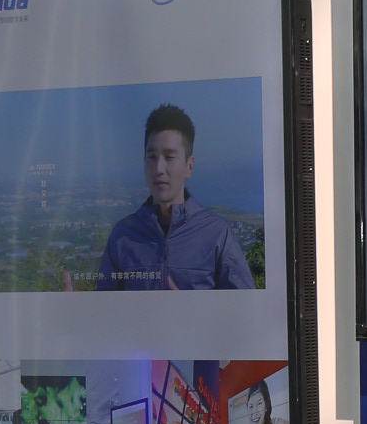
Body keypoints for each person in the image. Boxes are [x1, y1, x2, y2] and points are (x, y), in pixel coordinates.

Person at [98, 104, 255, 291]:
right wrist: (76, 305)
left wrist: (187, 307)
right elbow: (104, 304)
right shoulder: (122, 235)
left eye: (169, 157)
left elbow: (246, 304)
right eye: (152, 157)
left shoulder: (217, 234)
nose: (158, 169)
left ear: (190, 166)